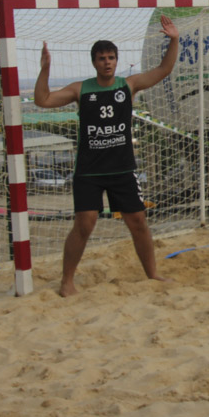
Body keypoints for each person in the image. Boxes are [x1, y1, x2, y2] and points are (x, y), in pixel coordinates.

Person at [34, 15, 180, 297]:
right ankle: (67, 282)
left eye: (111, 57)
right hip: (88, 171)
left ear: (116, 59)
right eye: (102, 58)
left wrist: (174, 39)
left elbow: (163, 69)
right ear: (94, 62)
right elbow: (43, 100)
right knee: (85, 223)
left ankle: (152, 274)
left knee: (138, 222)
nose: (107, 62)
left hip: (122, 170)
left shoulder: (128, 85)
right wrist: (45, 69)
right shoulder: (81, 89)